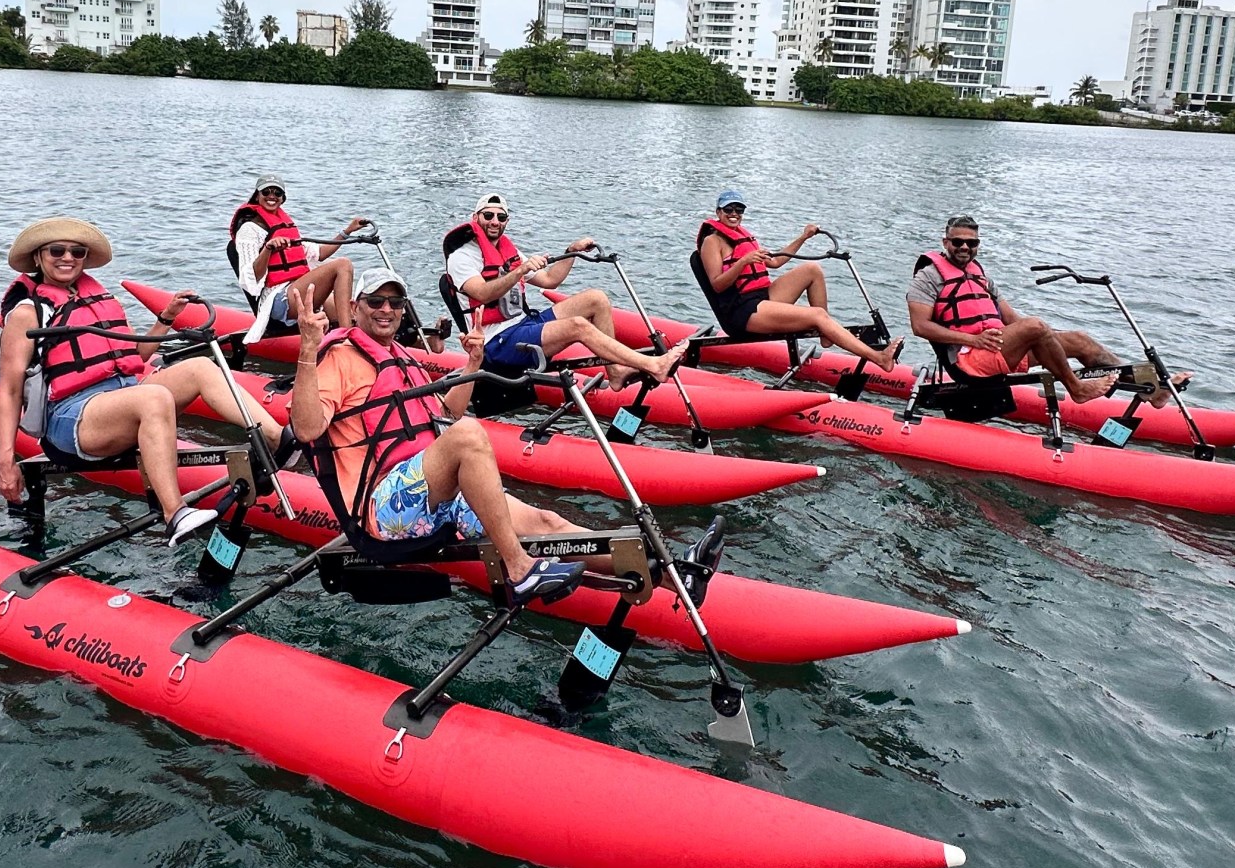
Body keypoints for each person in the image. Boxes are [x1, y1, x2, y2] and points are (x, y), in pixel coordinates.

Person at [289, 266, 586, 600]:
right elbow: (306, 429)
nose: (387, 309)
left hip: (433, 493)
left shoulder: (400, 357)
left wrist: (474, 364)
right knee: (468, 434)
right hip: (383, 506)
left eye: (396, 302)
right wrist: (307, 351)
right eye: (376, 301)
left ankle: (652, 569)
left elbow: (444, 413)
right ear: (356, 307)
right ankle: (519, 569)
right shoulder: (338, 357)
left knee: (548, 523)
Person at [0, 216, 289, 544]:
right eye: (56, 251)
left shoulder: (95, 296)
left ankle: (279, 439)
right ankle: (175, 513)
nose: (67, 258)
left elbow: (136, 358)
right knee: (154, 397)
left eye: (77, 252)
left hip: (121, 395)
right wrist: (6, 461)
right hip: (71, 418)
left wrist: (166, 318)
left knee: (200, 368)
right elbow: (9, 391)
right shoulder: (27, 313)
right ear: (38, 257)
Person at [906, 215, 1180, 405]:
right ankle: (1077, 389)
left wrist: (1052, 338)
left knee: (1079, 340)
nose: (965, 247)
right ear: (946, 242)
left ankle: (1151, 388)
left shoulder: (980, 275)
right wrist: (973, 339)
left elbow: (1012, 319)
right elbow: (920, 327)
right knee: (1036, 326)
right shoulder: (929, 276)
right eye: (958, 242)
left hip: (998, 348)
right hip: (967, 360)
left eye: (972, 242)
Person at [443, 193, 689, 387]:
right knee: (578, 326)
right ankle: (653, 365)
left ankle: (615, 372)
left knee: (597, 299)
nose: (495, 221)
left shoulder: (508, 252)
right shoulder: (462, 257)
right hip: (496, 342)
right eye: (488, 216)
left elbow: (550, 280)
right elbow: (483, 293)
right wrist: (519, 271)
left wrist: (572, 251)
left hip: (523, 325)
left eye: (501, 217)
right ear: (475, 218)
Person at [694, 189, 903, 371]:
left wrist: (803, 237)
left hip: (762, 298)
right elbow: (717, 285)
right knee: (818, 315)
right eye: (728, 210)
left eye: (738, 210)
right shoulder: (712, 242)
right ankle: (879, 358)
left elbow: (776, 263)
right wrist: (743, 262)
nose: (734, 214)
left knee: (812, 269)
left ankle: (826, 334)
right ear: (718, 212)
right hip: (743, 311)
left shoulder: (742, 236)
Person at [227, 173, 368, 332]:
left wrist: (348, 231)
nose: (272, 196)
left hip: (296, 289)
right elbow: (251, 279)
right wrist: (268, 249)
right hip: (277, 300)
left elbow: (320, 253)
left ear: (283, 198)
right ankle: (347, 338)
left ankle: (357, 335)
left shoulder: (284, 224)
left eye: (277, 193)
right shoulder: (248, 230)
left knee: (339, 301)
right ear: (257, 195)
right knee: (343, 264)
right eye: (266, 192)